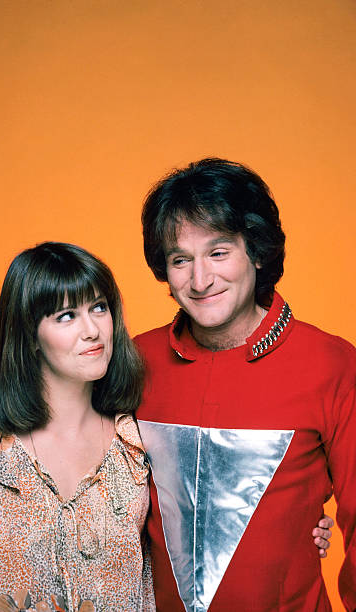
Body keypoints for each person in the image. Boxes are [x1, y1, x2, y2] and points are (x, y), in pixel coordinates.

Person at [135, 158, 355, 612]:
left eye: (218, 253)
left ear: (256, 251)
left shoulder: (331, 364)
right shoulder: (136, 361)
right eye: (181, 260)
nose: (200, 280)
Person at [0, 242, 155, 612]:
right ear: (30, 335)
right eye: (66, 316)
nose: (92, 330)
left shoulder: (137, 445)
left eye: (99, 307)